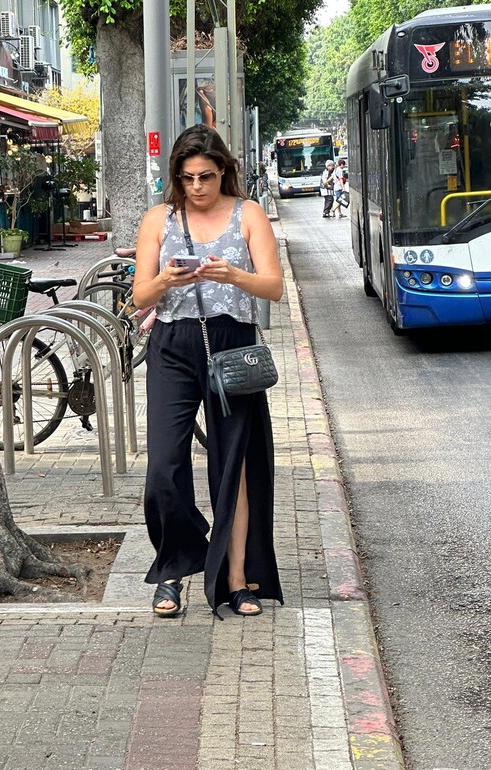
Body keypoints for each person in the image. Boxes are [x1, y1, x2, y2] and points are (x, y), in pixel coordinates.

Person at [133, 124, 284, 619]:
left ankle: (236, 579)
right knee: (163, 466)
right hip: (173, 345)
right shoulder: (158, 219)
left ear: (223, 172)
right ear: (177, 177)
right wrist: (164, 280)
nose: (197, 186)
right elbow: (140, 296)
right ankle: (175, 566)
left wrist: (233, 275)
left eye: (206, 176)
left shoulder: (248, 214)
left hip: (232, 347)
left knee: (233, 467)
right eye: (187, 177)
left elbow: (274, 287)